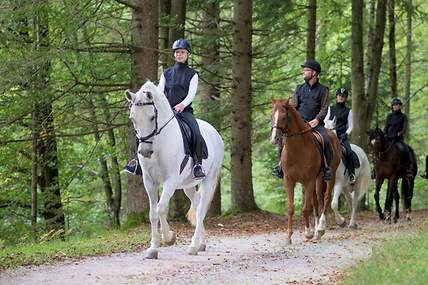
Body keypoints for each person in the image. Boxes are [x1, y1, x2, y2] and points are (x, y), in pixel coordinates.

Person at [125, 38, 206, 179]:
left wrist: (182, 105)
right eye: (177, 52)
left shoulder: (192, 74)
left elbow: (191, 94)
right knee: (143, 129)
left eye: (182, 52)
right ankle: (137, 162)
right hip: (167, 113)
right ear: (174, 55)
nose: (179, 54)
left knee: (196, 133)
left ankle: (197, 165)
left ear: (187, 54)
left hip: (184, 112)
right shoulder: (166, 73)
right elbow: (160, 92)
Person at [272, 59, 333, 181]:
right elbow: (294, 106)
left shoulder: (323, 90)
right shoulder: (299, 88)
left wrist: (317, 119)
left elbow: (324, 107)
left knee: (326, 139)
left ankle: (326, 168)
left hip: (316, 124)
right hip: (300, 124)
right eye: (304, 70)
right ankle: (280, 167)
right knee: (282, 140)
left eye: (306, 70)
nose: (303, 72)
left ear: (314, 73)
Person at [325, 87, 356, 184]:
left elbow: (351, 126)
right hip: (330, 134)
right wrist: (328, 126)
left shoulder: (348, 111)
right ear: (336, 97)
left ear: (345, 98)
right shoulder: (330, 108)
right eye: (339, 96)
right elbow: (325, 120)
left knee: (349, 152)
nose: (341, 98)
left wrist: (345, 134)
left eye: (343, 96)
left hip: (341, 136)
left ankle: (351, 174)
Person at [383, 97, 414, 178]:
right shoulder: (389, 116)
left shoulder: (403, 117)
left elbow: (404, 129)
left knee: (405, 149)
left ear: (400, 106)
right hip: (389, 138)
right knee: (379, 149)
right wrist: (385, 134)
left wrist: (399, 134)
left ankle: (408, 169)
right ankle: (375, 170)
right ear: (392, 106)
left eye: (397, 105)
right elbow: (385, 128)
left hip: (398, 139)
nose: (395, 106)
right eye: (394, 105)